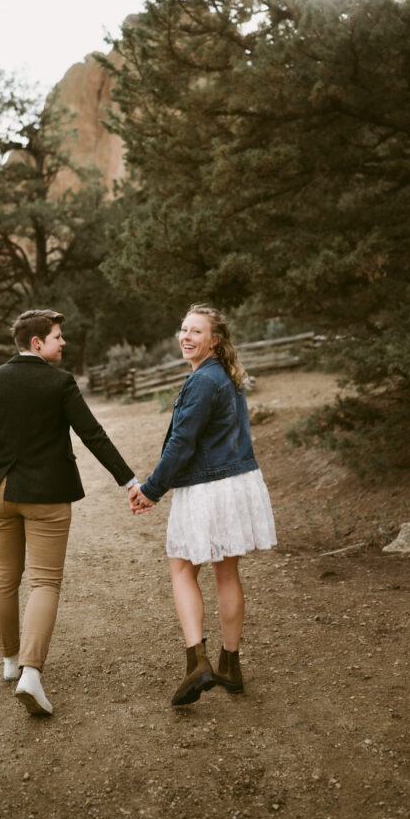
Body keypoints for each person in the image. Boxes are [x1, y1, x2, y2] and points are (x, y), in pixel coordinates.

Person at [0, 309, 137, 716]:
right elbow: (92, 434)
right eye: (58, 337)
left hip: (2, 494)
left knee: (5, 577)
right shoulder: (59, 382)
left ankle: (9, 662)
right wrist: (128, 481)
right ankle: (30, 674)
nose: (64, 343)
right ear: (36, 343)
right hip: (48, 498)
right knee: (44, 583)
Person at [129, 303, 276, 706]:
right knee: (226, 574)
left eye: (196, 331)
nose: (186, 337)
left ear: (215, 340)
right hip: (235, 484)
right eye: (183, 329)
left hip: (209, 489)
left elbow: (182, 444)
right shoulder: (226, 376)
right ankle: (231, 665)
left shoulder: (202, 382)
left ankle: (198, 661)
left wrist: (151, 489)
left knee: (181, 569)